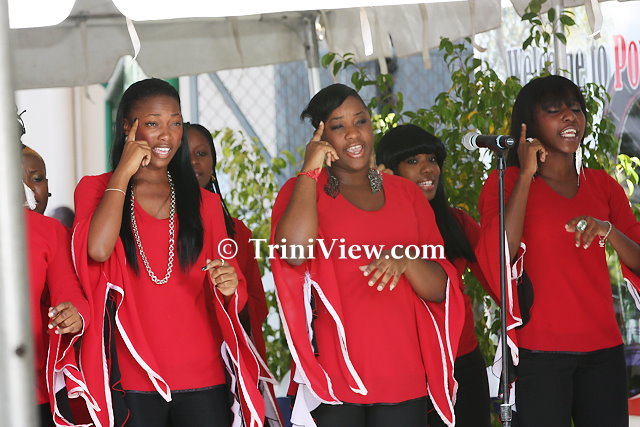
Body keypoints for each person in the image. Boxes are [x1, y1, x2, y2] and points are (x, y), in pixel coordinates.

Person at [72, 78, 267, 427]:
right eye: (153, 123)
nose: (167, 135)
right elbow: (98, 249)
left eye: (175, 123)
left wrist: (228, 284)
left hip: (203, 375)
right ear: (127, 128)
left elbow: (234, 293)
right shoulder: (95, 189)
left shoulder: (206, 203)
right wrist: (124, 171)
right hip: (133, 376)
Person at [271, 83, 464, 427]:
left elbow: (441, 289)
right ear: (321, 136)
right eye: (338, 126)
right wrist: (309, 170)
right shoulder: (302, 191)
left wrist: (407, 260)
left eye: (360, 121)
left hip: (402, 372)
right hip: (333, 378)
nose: (353, 133)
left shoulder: (406, 194)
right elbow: (294, 254)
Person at [476, 75, 640, 426]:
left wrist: (609, 230)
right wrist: (525, 176)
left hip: (603, 350)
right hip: (539, 354)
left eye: (576, 109)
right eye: (554, 110)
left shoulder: (602, 185)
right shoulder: (504, 183)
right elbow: (499, 255)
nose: (569, 117)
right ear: (529, 125)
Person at [376, 124, 492, 427]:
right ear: (388, 170)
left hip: (461, 361)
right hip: (403, 370)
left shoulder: (456, 222)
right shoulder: (372, 226)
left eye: (432, 159)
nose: (428, 169)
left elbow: (501, 275)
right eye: (413, 161)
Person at [185, 122, 282, 426]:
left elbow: (256, 304)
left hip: (229, 359)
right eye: (184, 154)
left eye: (202, 154)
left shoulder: (237, 232)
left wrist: (231, 300)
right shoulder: (148, 228)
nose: (193, 162)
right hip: (178, 365)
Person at [21, 143, 90, 427]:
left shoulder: (50, 232)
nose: (26, 189)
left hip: (33, 386)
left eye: (36, 179)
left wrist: (75, 315)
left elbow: (70, 293)